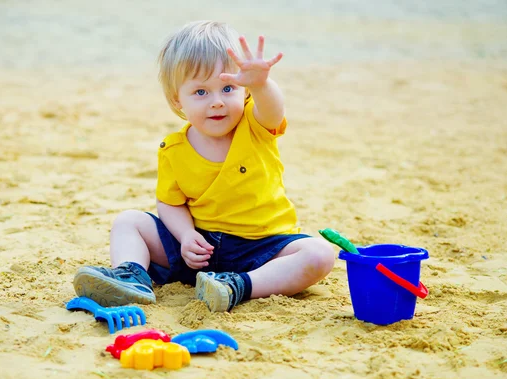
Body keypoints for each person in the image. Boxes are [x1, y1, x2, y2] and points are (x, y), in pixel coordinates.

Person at [73, 21, 334, 312]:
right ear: (178, 100)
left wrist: (261, 84)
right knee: (129, 221)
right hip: (199, 249)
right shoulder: (173, 149)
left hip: (262, 247)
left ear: (244, 91)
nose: (217, 102)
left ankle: (238, 285)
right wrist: (185, 236)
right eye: (201, 92)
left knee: (319, 254)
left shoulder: (255, 125)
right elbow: (169, 203)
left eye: (227, 87)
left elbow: (274, 112)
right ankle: (131, 275)